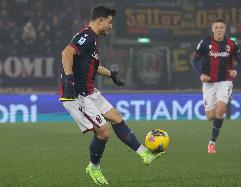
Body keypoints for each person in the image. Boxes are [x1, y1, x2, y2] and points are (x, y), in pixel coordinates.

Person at [59, 6, 163, 185]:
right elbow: (66, 53)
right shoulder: (86, 35)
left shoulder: (92, 40)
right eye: (109, 22)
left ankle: (144, 154)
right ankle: (94, 167)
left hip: (90, 92)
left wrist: (112, 75)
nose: (111, 26)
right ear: (100, 20)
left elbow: (93, 66)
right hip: (77, 94)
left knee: (116, 117)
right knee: (104, 133)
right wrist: (69, 79)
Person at [191, 18, 241, 154]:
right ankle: (221, 106)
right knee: (210, 116)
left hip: (224, 81)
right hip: (209, 84)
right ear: (213, 29)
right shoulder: (205, 42)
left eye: (221, 27)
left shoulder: (232, 44)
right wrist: (201, 74)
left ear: (225, 29)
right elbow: (194, 60)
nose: (219, 29)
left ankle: (212, 142)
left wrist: (236, 70)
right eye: (217, 27)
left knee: (220, 111)